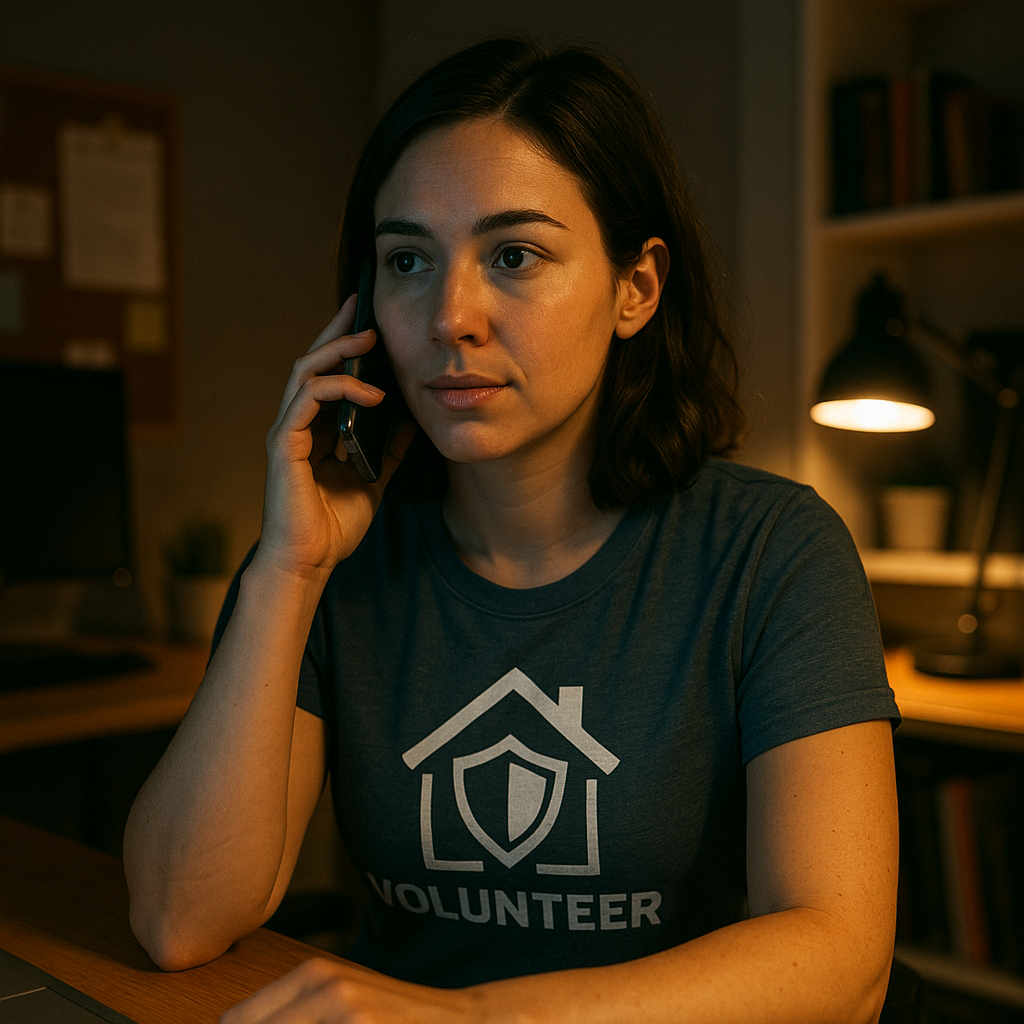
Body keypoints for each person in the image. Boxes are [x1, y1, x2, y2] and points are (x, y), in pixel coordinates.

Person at [123, 37, 901, 1024]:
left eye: (514, 255)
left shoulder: (770, 549)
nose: (450, 315)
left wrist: (478, 1018)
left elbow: (841, 961)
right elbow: (177, 918)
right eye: (408, 259)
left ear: (636, 289)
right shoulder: (329, 559)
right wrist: (289, 564)